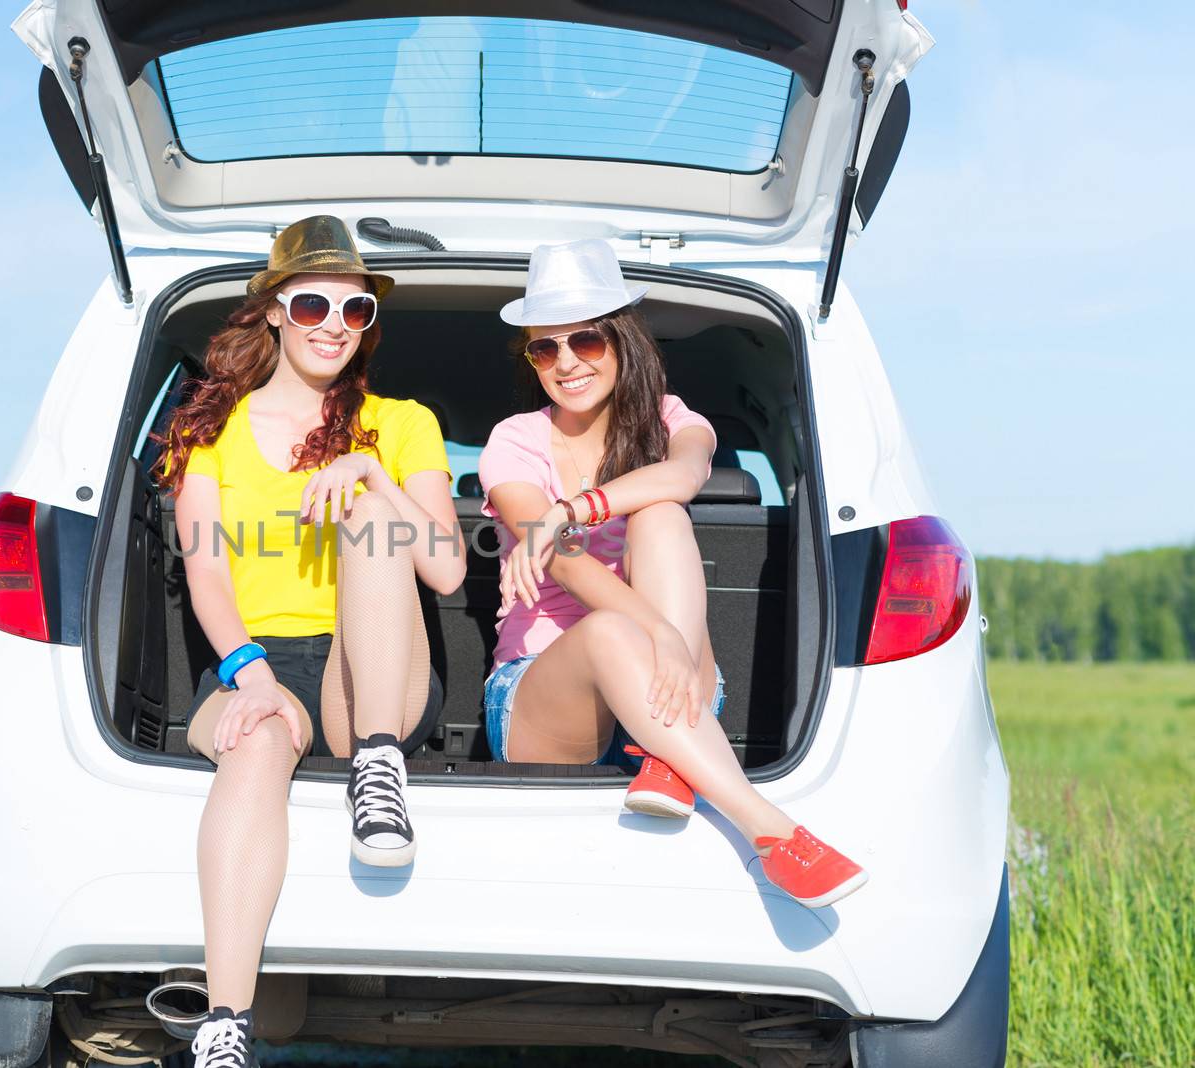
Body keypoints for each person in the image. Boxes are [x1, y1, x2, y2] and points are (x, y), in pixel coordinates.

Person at [154, 216, 463, 1067]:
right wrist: (246, 674)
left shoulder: (401, 424)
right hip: (259, 660)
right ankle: (225, 1025)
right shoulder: (206, 431)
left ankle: (376, 765)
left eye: (357, 308)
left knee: (370, 512)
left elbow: (444, 572)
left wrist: (371, 475)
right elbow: (208, 575)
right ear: (275, 311)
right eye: (315, 302)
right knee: (253, 739)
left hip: (375, 670)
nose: (335, 321)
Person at [477, 238, 867, 912]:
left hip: (671, 686)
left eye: (587, 341)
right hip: (546, 694)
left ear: (623, 341)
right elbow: (563, 562)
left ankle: (669, 754)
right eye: (546, 348)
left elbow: (688, 474)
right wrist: (654, 629)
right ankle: (768, 829)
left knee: (662, 512)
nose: (566, 362)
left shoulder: (669, 419)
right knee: (607, 634)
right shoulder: (514, 439)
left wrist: (572, 507)